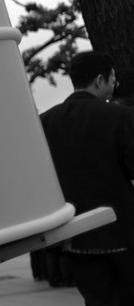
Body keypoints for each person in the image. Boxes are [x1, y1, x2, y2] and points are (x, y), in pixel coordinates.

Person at [40, 51, 134, 305]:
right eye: (113, 80)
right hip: (122, 229)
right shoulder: (120, 116)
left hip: (74, 234)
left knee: (97, 300)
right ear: (100, 79)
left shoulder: (45, 122)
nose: (114, 85)